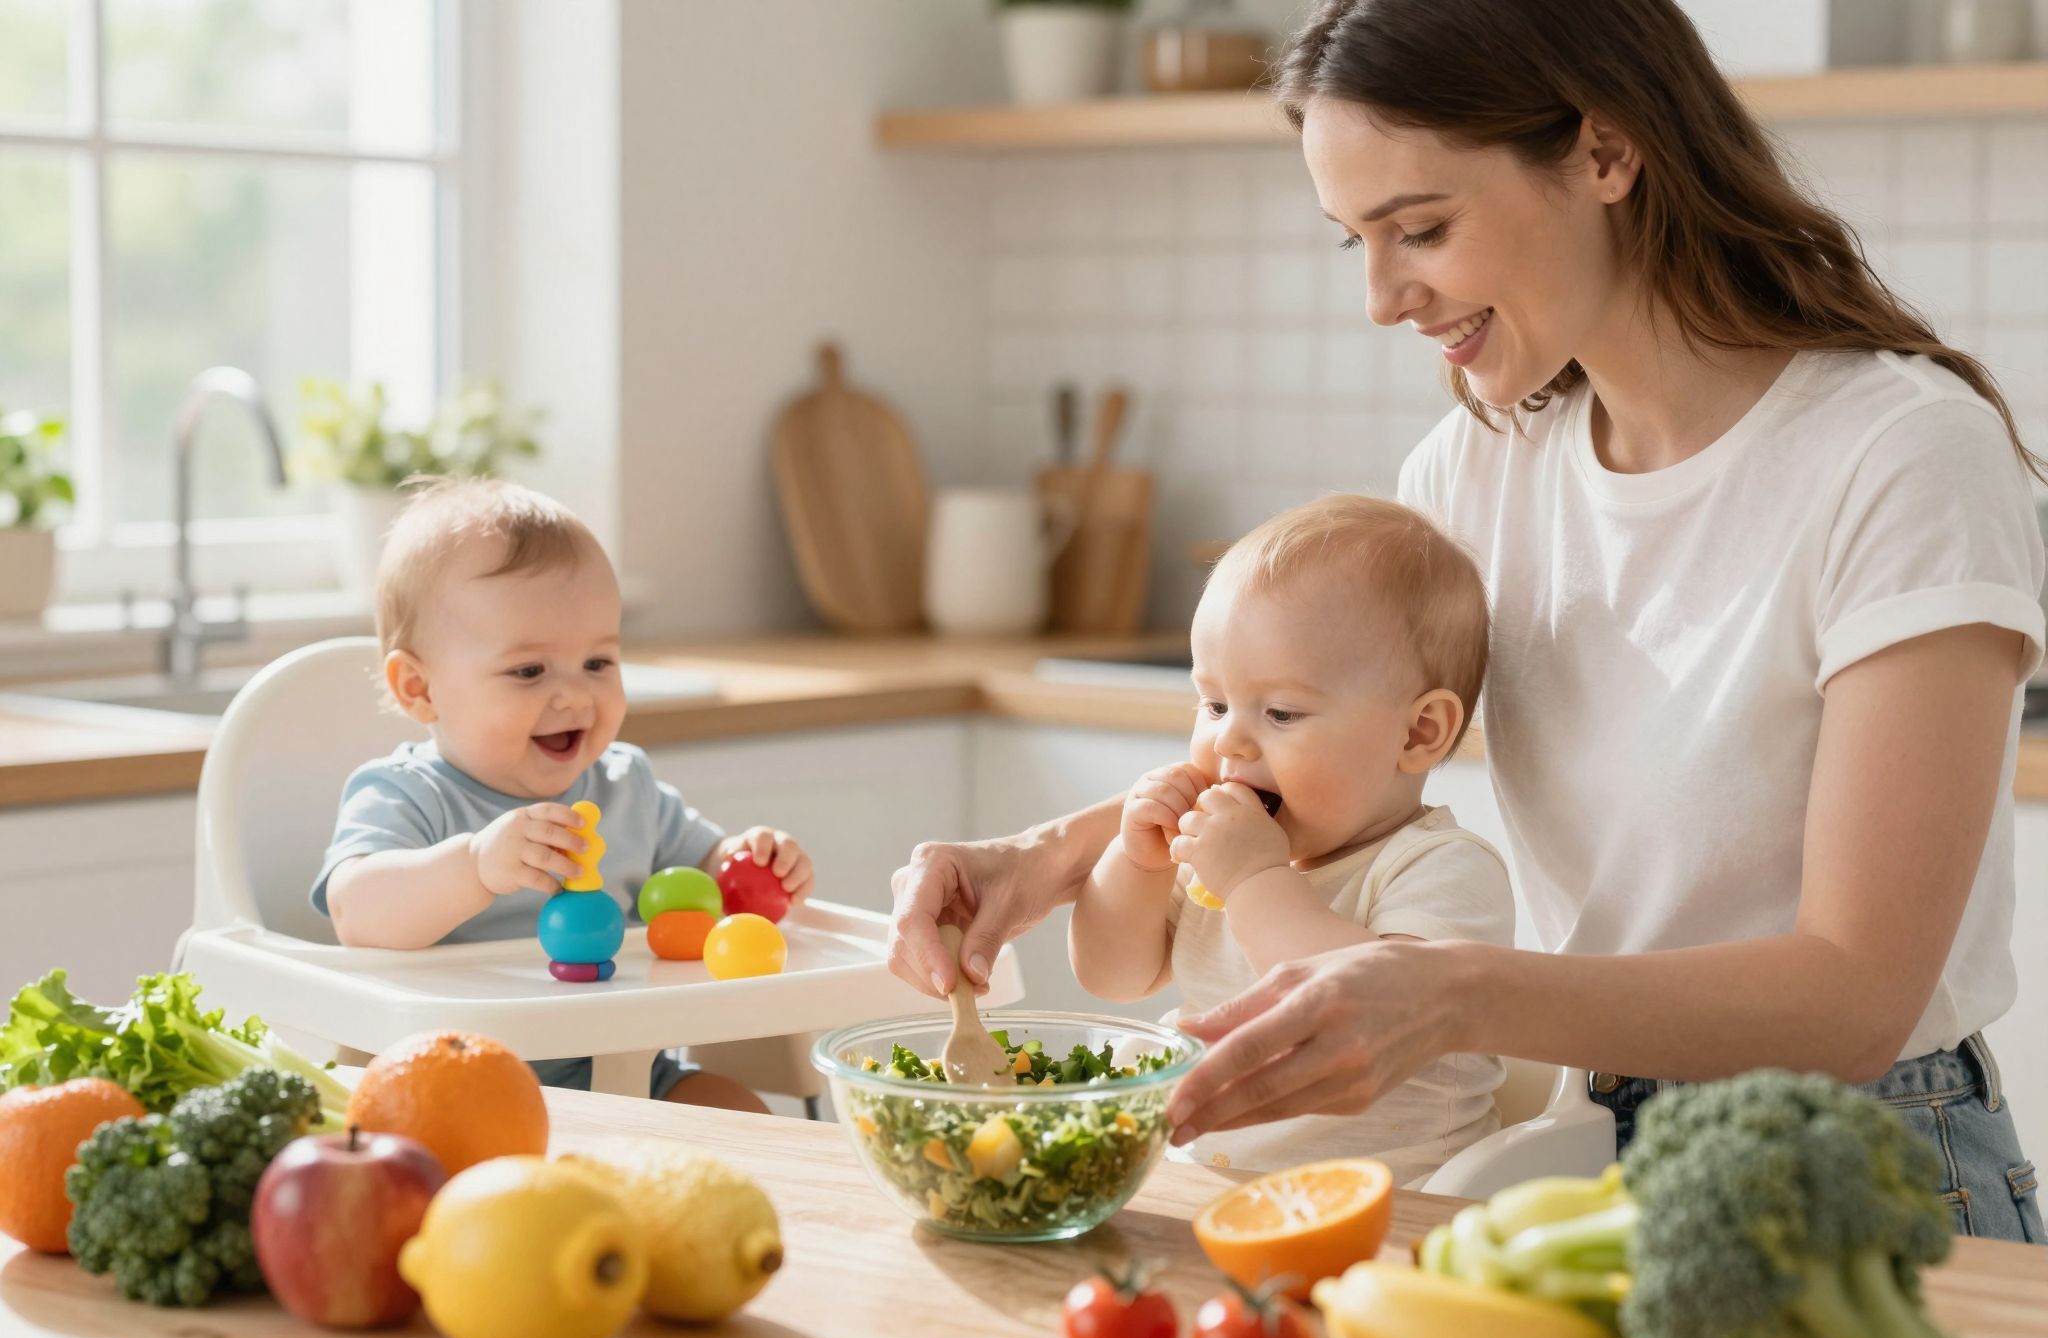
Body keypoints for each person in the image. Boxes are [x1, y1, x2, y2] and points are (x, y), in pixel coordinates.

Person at [889, 0, 2046, 1240]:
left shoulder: (1898, 453)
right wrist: (1048, 857)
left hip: (1867, 1154)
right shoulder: (1479, 466)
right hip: (1600, 1153)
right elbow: (1318, 732)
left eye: (1421, 228)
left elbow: (1853, 993)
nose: (1386, 299)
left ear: (1605, 154)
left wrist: (1444, 996)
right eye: (1357, 245)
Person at [314, 477, 813, 1111]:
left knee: (741, 1111)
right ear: (419, 688)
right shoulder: (408, 796)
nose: (575, 695)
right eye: (529, 670)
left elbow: (707, 874)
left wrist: (754, 858)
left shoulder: (624, 785)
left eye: (599, 663)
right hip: (453, 1085)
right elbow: (357, 912)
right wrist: (475, 866)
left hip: (625, 1069)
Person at [1069, 495, 1513, 1184]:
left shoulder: (1440, 869)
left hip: (1395, 1209)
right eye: (1213, 704)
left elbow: (1362, 1005)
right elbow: (1111, 974)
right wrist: (1136, 861)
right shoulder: (1223, 854)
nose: (1228, 739)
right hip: (1203, 1187)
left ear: (1418, 733)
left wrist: (1253, 883)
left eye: (1280, 712)